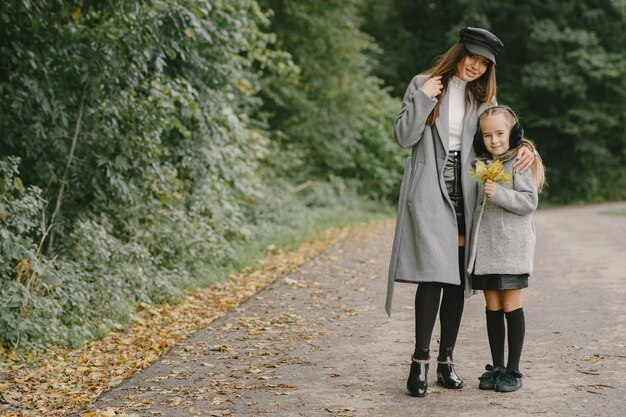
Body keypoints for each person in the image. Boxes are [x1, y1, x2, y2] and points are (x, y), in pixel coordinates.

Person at [385, 27, 536, 397]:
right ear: (459, 53)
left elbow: (501, 135)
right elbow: (404, 137)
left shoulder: (484, 96)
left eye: (484, 64)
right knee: (432, 275)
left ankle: (446, 362)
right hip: (430, 187)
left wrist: (526, 147)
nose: (476, 67)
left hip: (468, 190)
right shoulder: (423, 83)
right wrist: (422, 99)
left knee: (455, 276)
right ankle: (419, 362)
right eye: (473, 58)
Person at [467, 105, 545, 392]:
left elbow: (529, 202)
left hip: (512, 248)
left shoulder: (520, 163)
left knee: (511, 305)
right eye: (488, 135)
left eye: (500, 133)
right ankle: (496, 366)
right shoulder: (480, 163)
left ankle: (514, 370)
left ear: (514, 133)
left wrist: (498, 193)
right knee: (492, 307)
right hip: (486, 249)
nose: (494, 140)